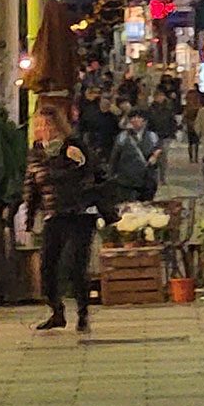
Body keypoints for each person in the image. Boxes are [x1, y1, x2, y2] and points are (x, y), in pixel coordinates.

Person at [23, 106, 102, 334]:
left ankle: (83, 313)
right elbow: (31, 186)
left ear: (59, 126)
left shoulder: (74, 146)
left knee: (75, 265)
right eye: (40, 125)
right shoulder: (36, 152)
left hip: (79, 214)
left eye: (48, 125)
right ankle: (56, 311)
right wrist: (28, 218)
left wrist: (78, 163)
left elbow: (91, 175)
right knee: (47, 266)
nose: (44, 130)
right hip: (53, 215)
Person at [108, 107, 161, 202]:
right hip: (126, 181)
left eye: (138, 117)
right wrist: (112, 175)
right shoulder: (122, 137)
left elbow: (157, 154)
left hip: (146, 181)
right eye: (132, 117)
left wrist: (155, 157)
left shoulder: (152, 137)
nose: (134, 120)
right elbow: (114, 157)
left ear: (145, 121)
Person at [183, 86, 203, 163]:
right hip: (196, 125)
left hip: (189, 125)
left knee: (190, 142)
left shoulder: (188, 106)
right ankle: (195, 157)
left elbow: (185, 115)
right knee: (196, 142)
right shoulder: (198, 106)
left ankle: (191, 158)